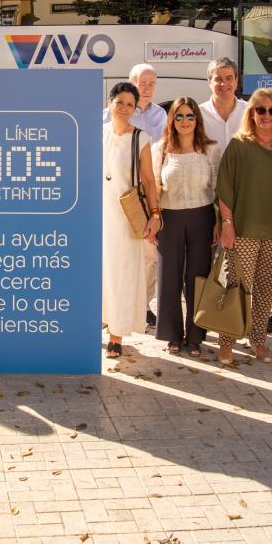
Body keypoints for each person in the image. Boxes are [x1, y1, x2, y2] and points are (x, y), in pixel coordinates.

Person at [216, 88, 272, 365]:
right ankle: (227, 341)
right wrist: (227, 224)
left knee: (265, 288)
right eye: (259, 109)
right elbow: (225, 188)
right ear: (251, 112)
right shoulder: (239, 145)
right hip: (244, 231)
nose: (266, 115)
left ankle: (259, 339)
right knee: (237, 287)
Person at [151, 96, 216, 357]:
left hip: (203, 216)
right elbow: (154, 185)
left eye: (190, 116)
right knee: (169, 276)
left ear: (197, 120)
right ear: (172, 120)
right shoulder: (161, 149)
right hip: (170, 217)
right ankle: (173, 335)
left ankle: (196, 336)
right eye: (179, 116)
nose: (185, 121)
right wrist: (154, 217)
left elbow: (218, 186)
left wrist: (221, 223)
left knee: (197, 277)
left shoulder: (211, 149)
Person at [103, 82, 162, 358]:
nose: (124, 108)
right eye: (120, 102)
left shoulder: (141, 138)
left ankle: (117, 334)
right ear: (110, 102)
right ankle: (102, 321)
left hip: (126, 217)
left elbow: (149, 181)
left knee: (123, 274)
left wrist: (155, 214)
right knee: (100, 273)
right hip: (98, 215)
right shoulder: (97, 133)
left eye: (130, 104)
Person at [200, 58, 247, 149]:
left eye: (229, 78)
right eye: (218, 79)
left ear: (236, 80)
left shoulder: (250, 111)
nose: (224, 84)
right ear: (210, 82)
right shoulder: (199, 114)